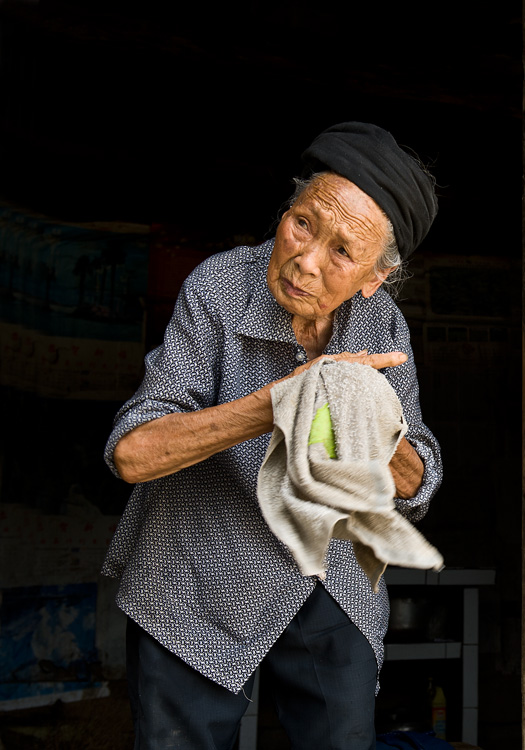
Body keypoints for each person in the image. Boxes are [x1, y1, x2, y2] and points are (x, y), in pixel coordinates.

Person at [102, 121, 443, 750]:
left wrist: (380, 429)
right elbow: (132, 453)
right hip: (195, 566)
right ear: (287, 209)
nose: (305, 259)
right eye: (303, 223)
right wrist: (278, 404)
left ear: (374, 278)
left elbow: (414, 483)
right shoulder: (217, 288)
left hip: (324, 571)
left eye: (342, 252)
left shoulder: (382, 324)